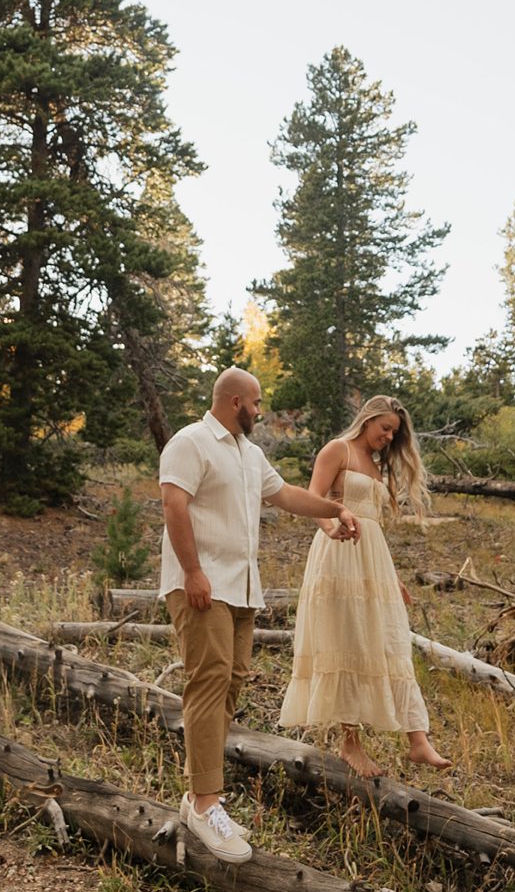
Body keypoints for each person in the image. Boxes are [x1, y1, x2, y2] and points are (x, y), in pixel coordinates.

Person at [160, 366, 358, 864]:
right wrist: (192, 572)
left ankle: (200, 797)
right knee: (208, 682)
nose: (261, 409)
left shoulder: (250, 453)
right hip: (203, 585)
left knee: (230, 684)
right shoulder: (190, 442)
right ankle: (205, 805)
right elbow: (174, 505)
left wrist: (333, 511)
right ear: (235, 402)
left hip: (242, 589)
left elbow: (285, 494)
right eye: (257, 402)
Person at [279, 394, 451, 777]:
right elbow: (312, 499)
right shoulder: (337, 450)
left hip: (373, 562)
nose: (388, 437)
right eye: (385, 428)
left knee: (391, 639)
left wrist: (392, 578)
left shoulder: (376, 466)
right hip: (339, 553)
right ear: (368, 419)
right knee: (348, 640)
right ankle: (350, 743)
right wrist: (330, 527)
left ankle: (418, 739)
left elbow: (373, 525)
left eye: (394, 433)